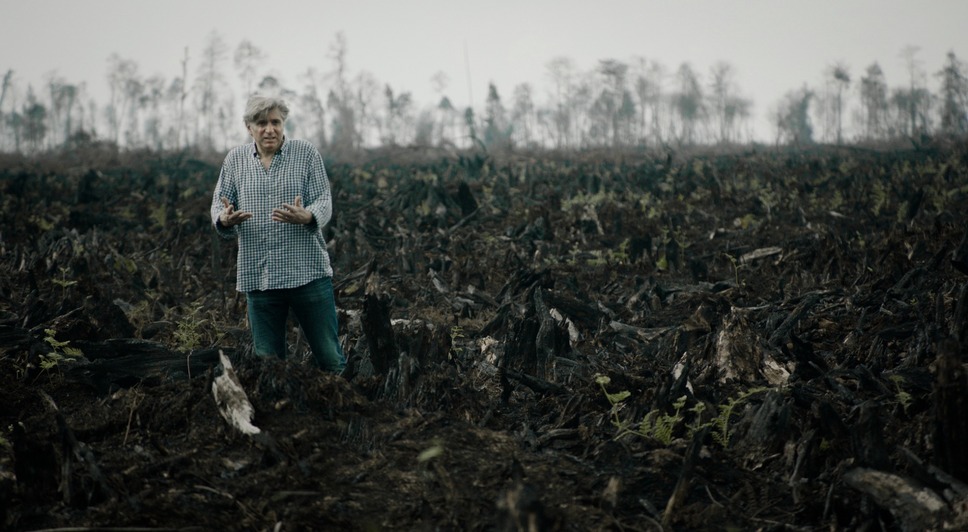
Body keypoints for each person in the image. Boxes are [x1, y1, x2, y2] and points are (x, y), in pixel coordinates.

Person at [211, 94, 345, 374]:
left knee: (330, 359)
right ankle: (283, 416)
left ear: (284, 123)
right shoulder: (235, 160)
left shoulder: (305, 153)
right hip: (260, 276)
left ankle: (343, 413)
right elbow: (218, 204)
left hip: (307, 273)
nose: (269, 129)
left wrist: (308, 215)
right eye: (261, 123)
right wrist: (224, 219)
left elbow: (323, 200)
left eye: (275, 122)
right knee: (268, 364)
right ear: (249, 127)